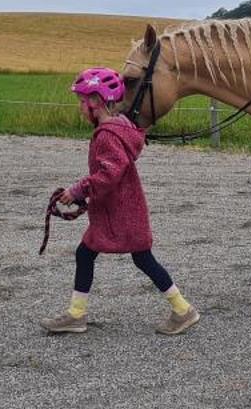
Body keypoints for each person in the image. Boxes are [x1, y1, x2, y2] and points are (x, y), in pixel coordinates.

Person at [43, 67, 199, 336]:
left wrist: (78, 191)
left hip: (121, 214)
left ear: (96, 101)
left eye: (82, 101)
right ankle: (76, 314)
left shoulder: (106, 135)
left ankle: (183, 309)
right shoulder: (119, 128)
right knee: (87, 253)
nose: (80, 107)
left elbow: (109, 173)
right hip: (117, 211)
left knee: (143, 260)